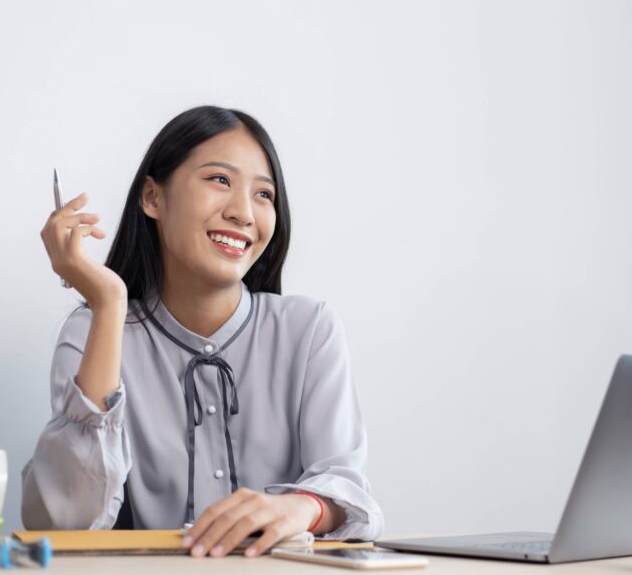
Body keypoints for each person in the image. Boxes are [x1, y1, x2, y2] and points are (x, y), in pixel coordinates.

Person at [22, 105, 383, 558]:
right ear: (153, 197)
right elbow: (64, 521)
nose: (243, 213)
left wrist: (303, 506)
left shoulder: (309, 330)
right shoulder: (93, 330)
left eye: (264, 195)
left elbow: (349, 493)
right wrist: (109, 304)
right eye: (220, 180)